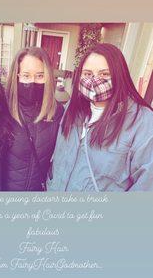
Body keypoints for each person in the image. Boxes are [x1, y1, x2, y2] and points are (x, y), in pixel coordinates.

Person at [48, 42, 153, 192]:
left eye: (104, 74)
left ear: (119, 75)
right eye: (88, 74)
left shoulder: (143, 122)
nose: (94, 80)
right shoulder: (73, 108)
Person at [5, 47, 64, 191]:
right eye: (26, 75)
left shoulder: (56, 112)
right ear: (16, 76)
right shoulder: (2, 109)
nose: (32, 82)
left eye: (39, 76)